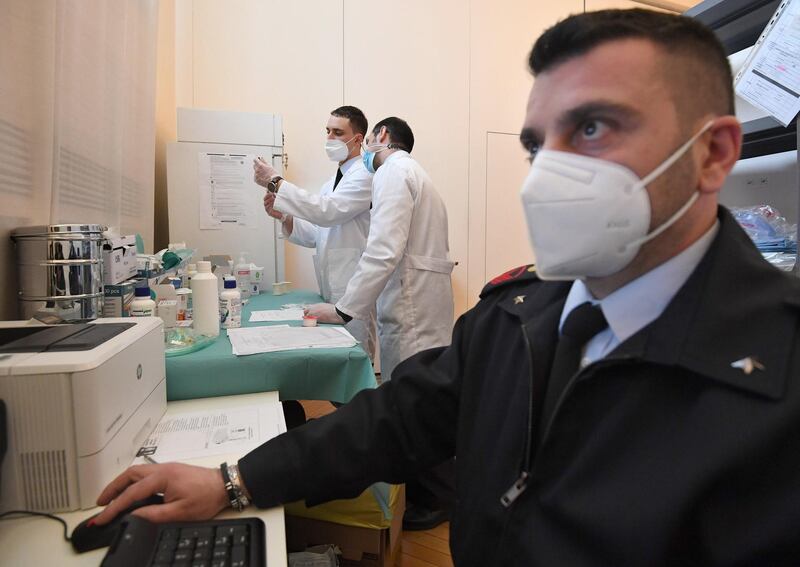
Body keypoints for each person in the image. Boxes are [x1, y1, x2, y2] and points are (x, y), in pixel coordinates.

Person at [93, 9, 800, 565]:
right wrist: (233, 479)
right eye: (536, 145)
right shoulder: (518, 316)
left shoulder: (778, 380)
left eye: (591, 126)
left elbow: (381, 246)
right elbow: (395, 419)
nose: (545, 175)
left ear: (714, 153)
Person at [305, 116, 456, 383]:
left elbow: (383, 250)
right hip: (426, 305)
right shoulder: (417, 174)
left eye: (369, 141)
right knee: (425, 389)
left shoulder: (392, 171)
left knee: (407, 392)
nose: (365, 153)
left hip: (411, 306)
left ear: (383, 134)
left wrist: (343, 310)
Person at [253, 105, 377, 359]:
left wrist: (276, 182)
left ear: (357, 139)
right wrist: (285, 217)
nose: (330, 138)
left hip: (354, 286)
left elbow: (327, 212)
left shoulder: (365, 175)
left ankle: (359, 398)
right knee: (337, 353)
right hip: (332, 285)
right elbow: (316, 233)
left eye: (338, 132)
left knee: (355, 355)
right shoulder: (331, 183)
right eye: (328, 131)